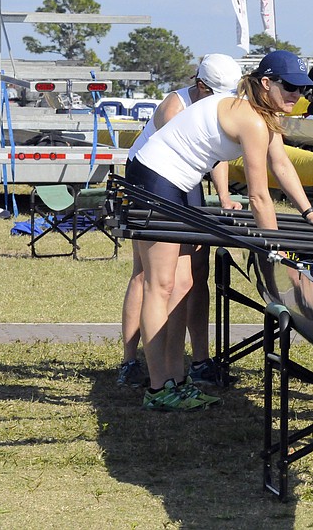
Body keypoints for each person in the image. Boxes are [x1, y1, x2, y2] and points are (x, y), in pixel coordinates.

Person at [128, 50, 313, 411]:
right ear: (266, 83)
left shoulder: (264, 115)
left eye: (303, 89)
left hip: (177, 183)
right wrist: (279, 257)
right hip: (155, 178)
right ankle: (158, 388)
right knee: (161, 284)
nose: (298, 95)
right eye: (290, 87)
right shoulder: (252, 120)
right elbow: (260, 197)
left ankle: (177, 379)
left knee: (183, 284)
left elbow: (281, 165)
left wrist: (309, 213)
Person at [117, 53, 243, 389]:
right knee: (149, 273)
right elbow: (177, 155)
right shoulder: (174, 107)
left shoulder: (219, 104)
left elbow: (213, 152)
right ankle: (131, 361)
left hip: (186, 181)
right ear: (200, 85)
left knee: (194, 272)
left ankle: (197, 360)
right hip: (154, 177)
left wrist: (225, 195)